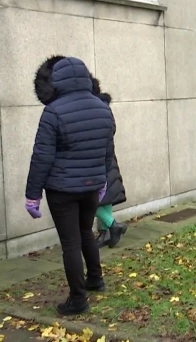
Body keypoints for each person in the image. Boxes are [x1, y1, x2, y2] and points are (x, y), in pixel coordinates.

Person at [25, 56, 116, 316]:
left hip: (62, 190)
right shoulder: (101, 107)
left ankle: (78, 299)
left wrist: (32, 195)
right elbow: (106, 150)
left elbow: (42, 156)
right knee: (85, 232)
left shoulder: (53, 111)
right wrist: (102, 181)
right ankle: (95, 279)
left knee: (70, 243)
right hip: (92, 185)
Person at [89, 76, 129, 249]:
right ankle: (107, 234)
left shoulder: (94, 108)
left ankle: (113, 226)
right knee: (106, 198)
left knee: (89, 200)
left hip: (96, 158)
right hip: (107, 157)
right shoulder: (103, 107)